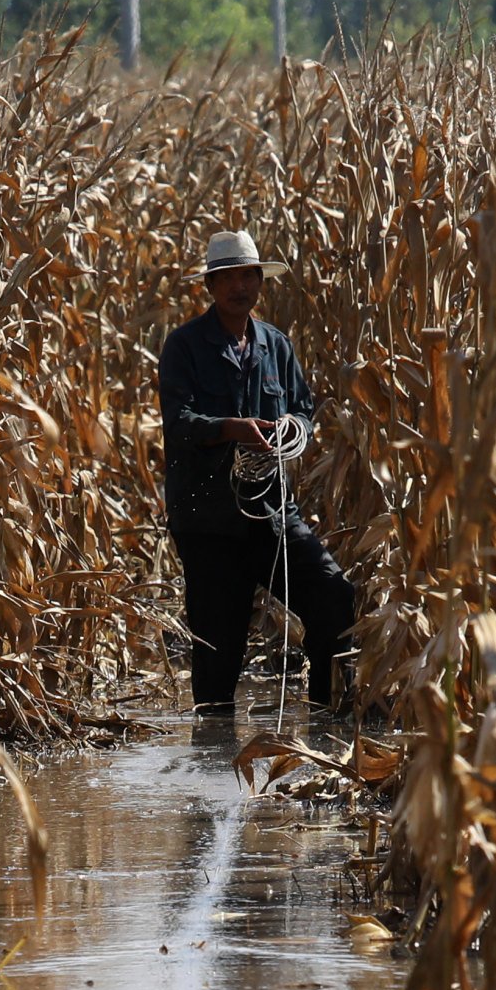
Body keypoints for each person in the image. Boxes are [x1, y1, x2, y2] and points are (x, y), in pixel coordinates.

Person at [157, 229, 366, 715]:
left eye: (248, 276)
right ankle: (209, 770)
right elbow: (179, 423)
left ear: (259, 282)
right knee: (218, 655)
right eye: (228, 278)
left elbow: (303, 410)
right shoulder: (184, 346)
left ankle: (324, 717)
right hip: (209, 523)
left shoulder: (275, 344)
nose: (240, 287)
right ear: (211, 285)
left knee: (333, 593)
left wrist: (294, 429)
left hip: (272, 513)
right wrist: (235, 429)